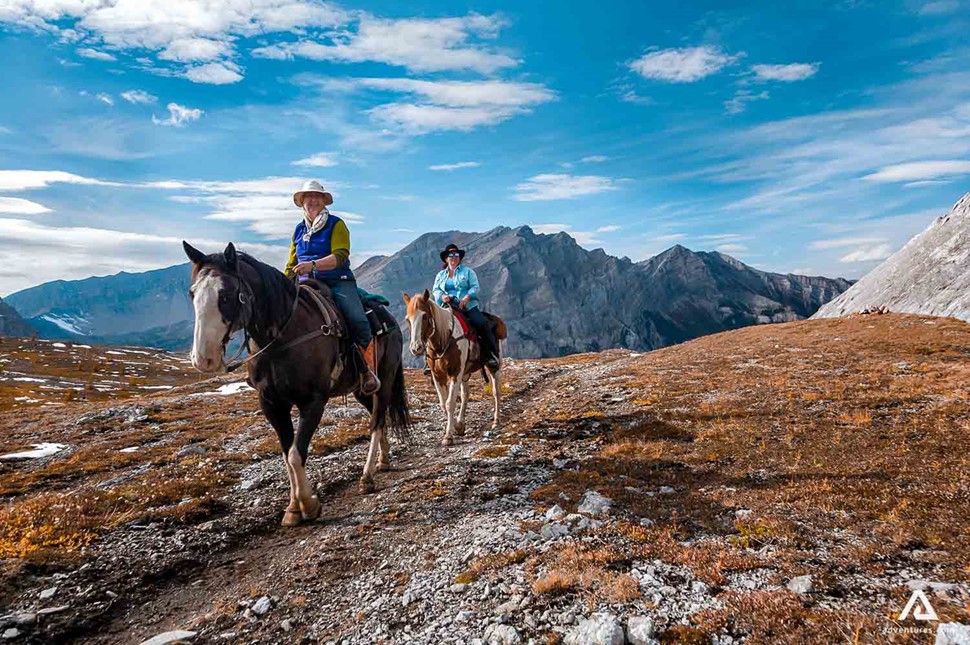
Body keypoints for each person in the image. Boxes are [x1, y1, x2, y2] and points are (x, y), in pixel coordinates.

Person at [284, 180, 379, 395]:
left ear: (323, 201)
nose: (313, 200)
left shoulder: (337, 225)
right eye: (308, 197)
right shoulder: (298, 230)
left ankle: (367, 371)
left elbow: (340, 256)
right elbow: (291, 263)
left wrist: (313, 265)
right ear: (302, 202)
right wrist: (281, 284)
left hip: (337, 280)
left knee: (357, 319)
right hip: (306, 282)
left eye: (317, 197)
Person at [432, 243, 499, 370]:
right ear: (446, 258)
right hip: (447, 307)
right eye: (450, 255)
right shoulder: (440, 275)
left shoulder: (468, 272)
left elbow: (476, 287)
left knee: (482, 324)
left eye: (456, 255)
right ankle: (430, 361)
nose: (453, 257)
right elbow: (435, 290)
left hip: (467, 306)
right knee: (431, 326)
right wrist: (441, 297)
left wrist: (468, 296)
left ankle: (491, 355)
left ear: (459, 257)